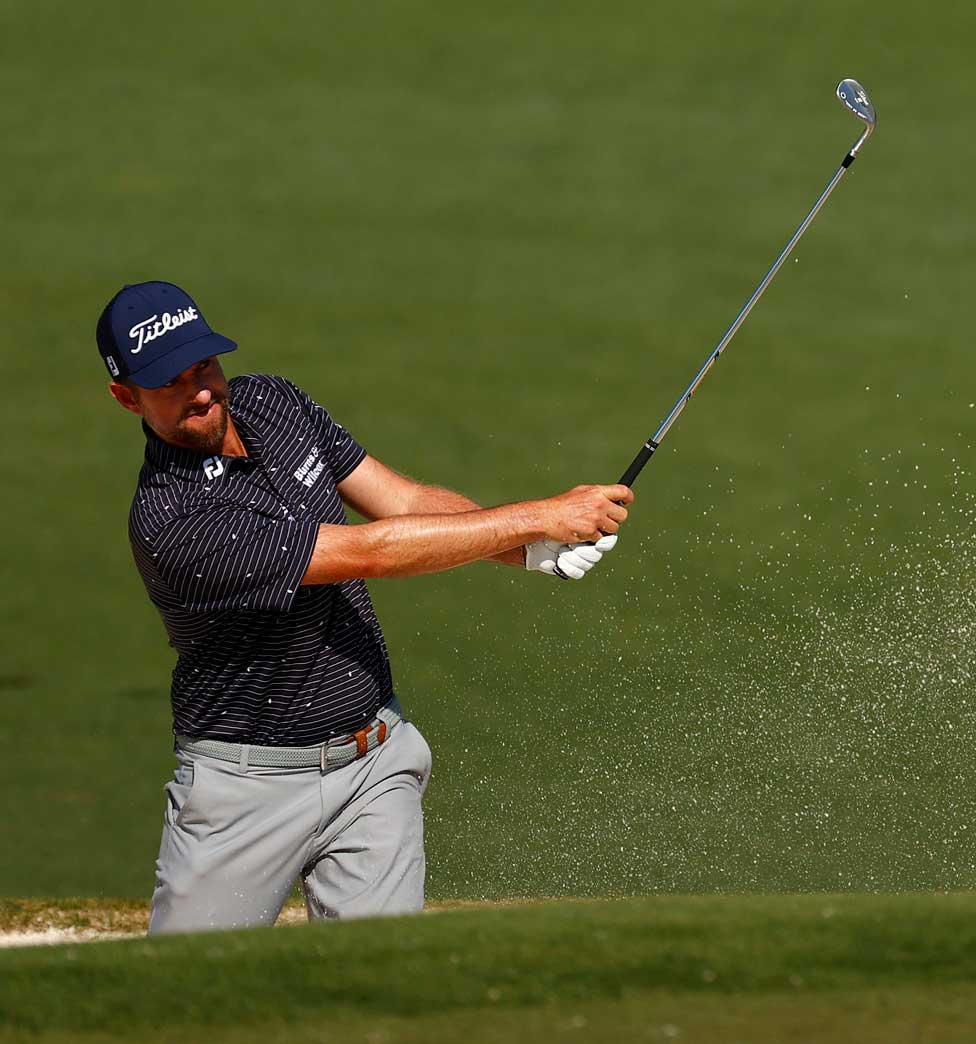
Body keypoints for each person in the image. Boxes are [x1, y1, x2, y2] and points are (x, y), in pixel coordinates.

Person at [97, 280, 632, 934]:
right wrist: (540, 514)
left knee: (385, 989)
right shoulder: (173, 524)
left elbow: (402, 504)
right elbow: (371, 551)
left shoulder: (274, 403)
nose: (201, 390)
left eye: (203, 366)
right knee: (183, 1002)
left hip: (374, 764)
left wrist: (527, 548)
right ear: (127, 398)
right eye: (170, 383)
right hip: (245, 791)